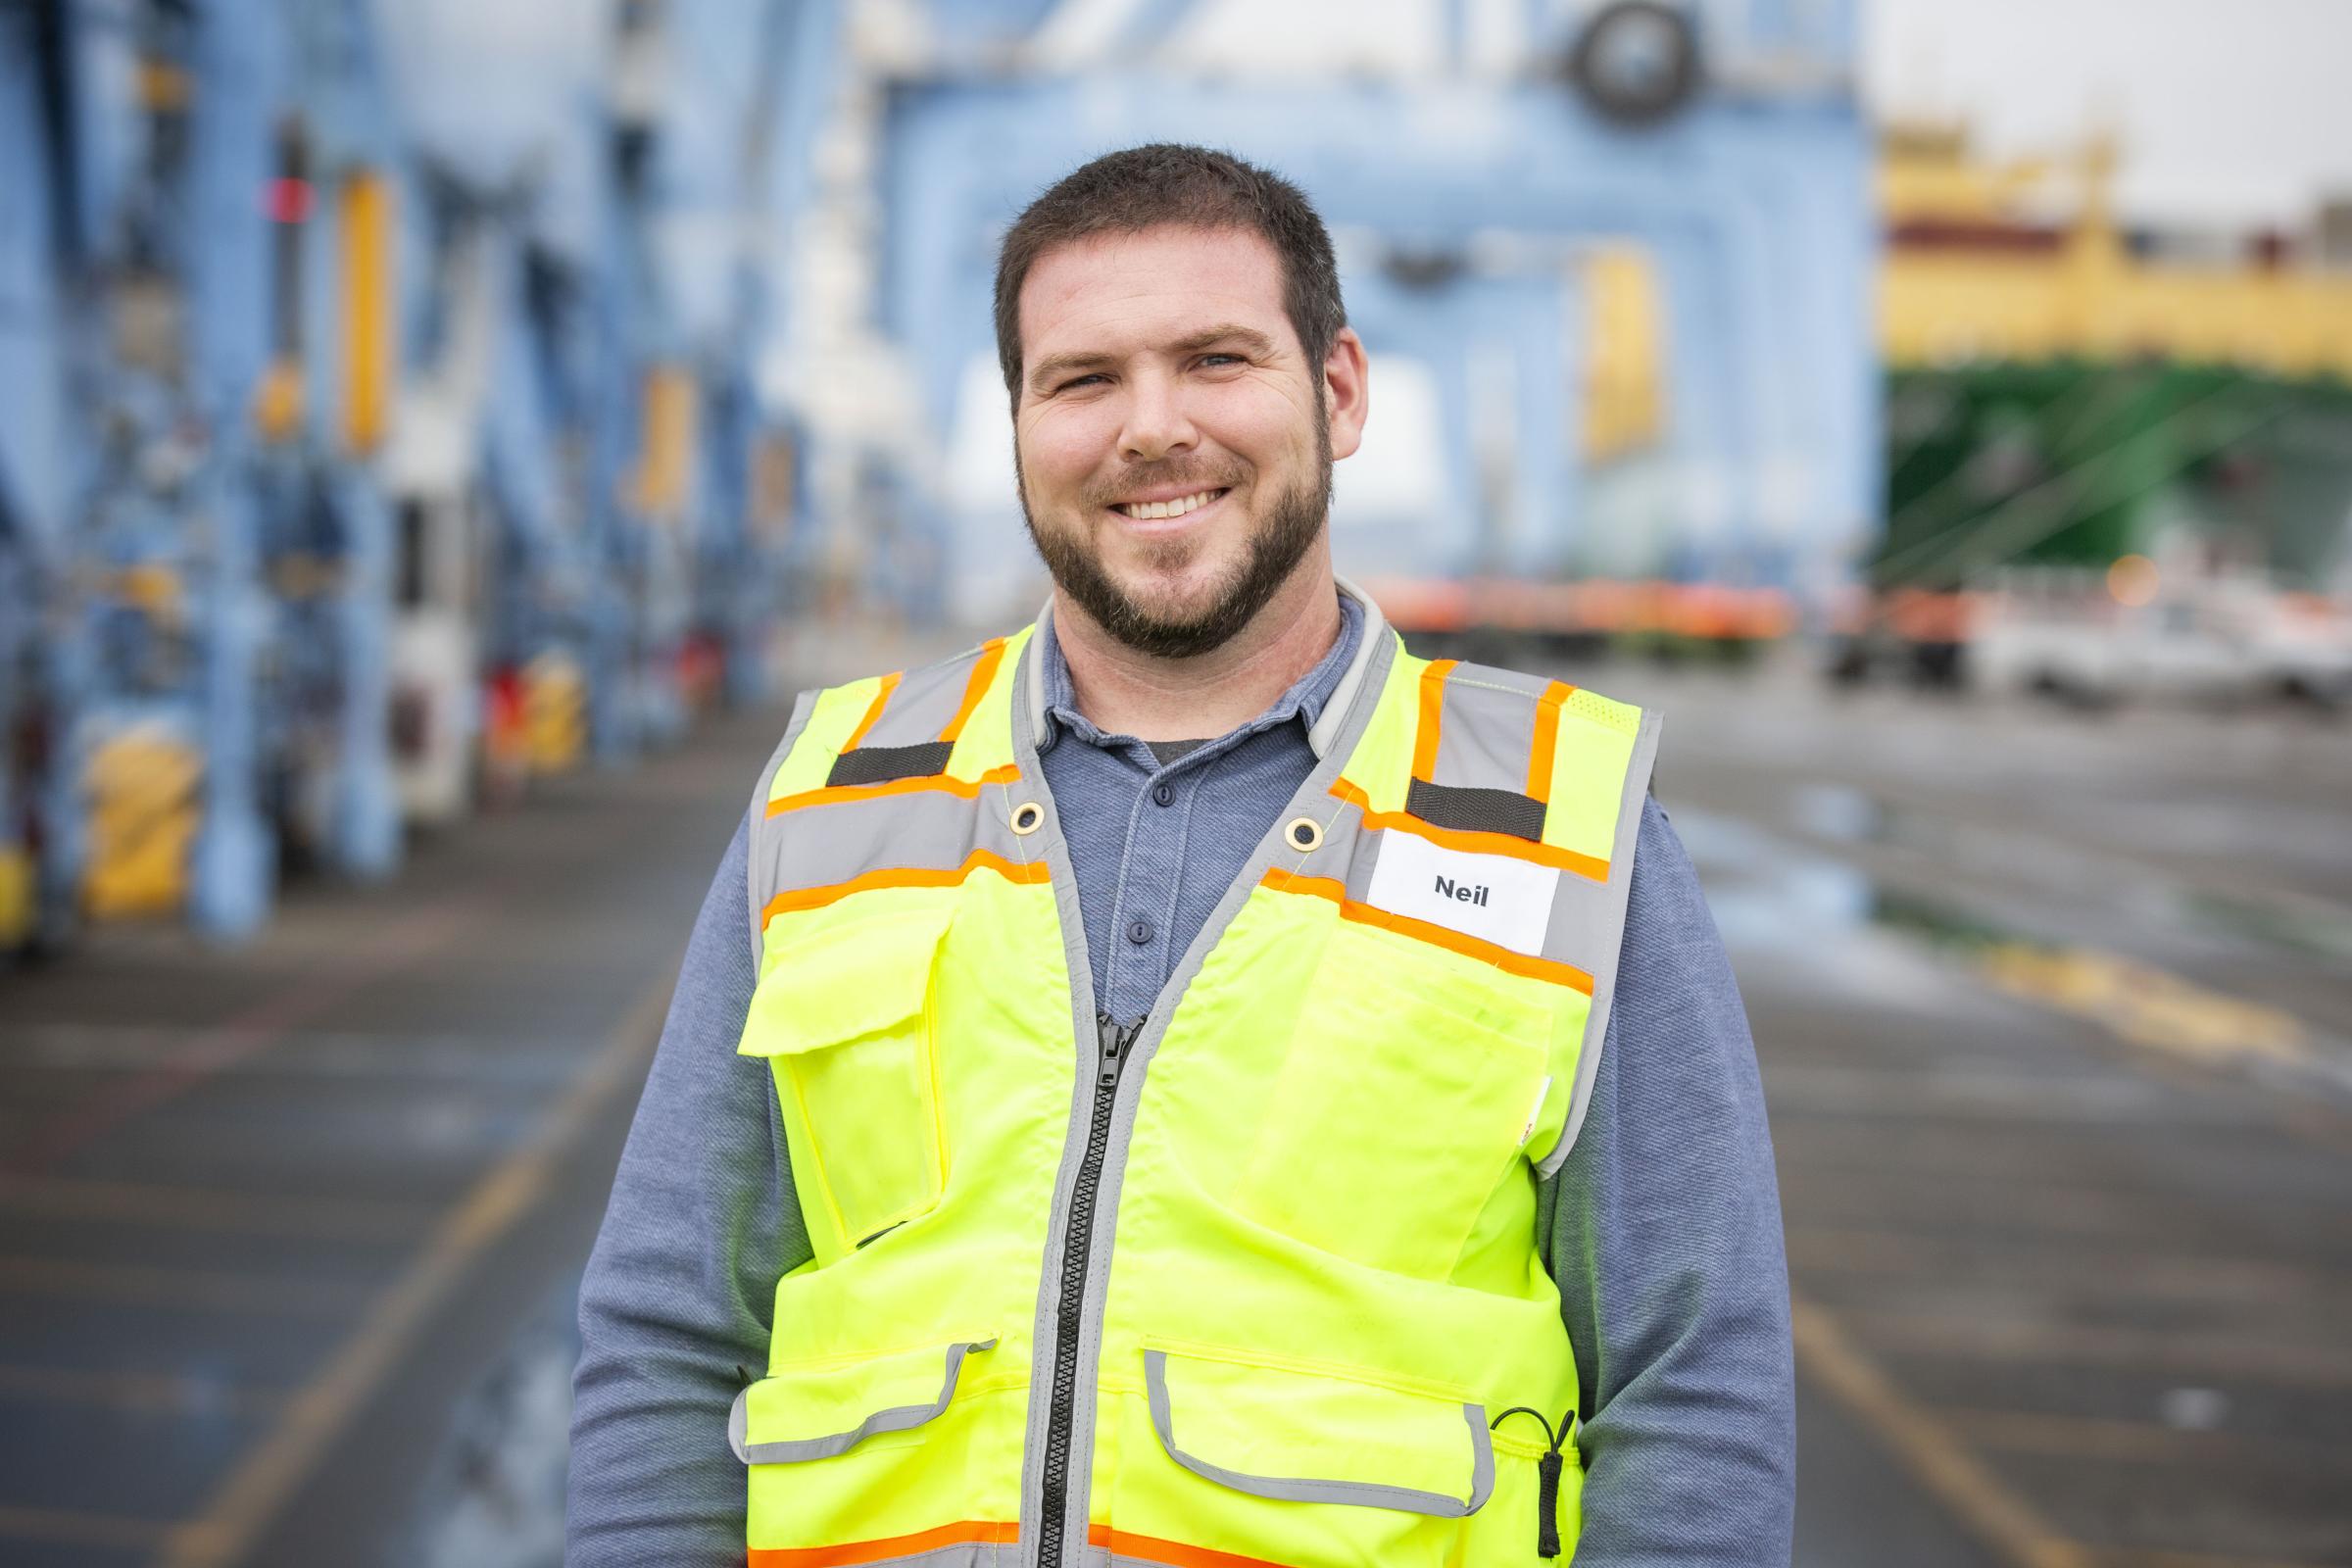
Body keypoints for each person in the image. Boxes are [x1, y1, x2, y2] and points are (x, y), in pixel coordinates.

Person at [566, 143, 1792, 1568]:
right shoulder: (836, 797)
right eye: (1083, 380)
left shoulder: (1565, 822)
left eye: (1214, 361)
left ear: (1337, 394)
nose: (1151, 429)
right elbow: (668, 1338)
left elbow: (1694, 1391)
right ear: (1020, 421)